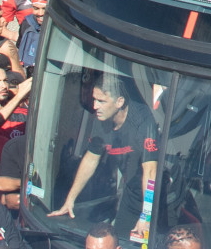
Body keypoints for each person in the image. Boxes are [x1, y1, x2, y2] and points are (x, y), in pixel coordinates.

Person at [51, 78, 156, 243]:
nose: (94, 106)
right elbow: (90, 160)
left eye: (101, 101)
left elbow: (151, 173)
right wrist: (70, 200)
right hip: (132, 193)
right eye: (94, 100)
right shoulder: (101, 120)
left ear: (119, 102)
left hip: (159, 196)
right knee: (119, 239)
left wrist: (147, 215)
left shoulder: (142, 122)